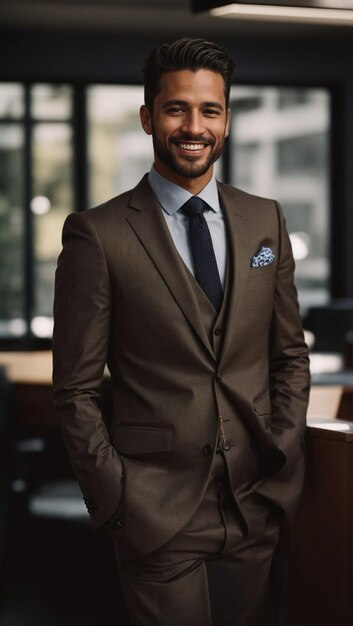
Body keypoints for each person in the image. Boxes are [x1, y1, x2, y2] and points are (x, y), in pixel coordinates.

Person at [52, 37, 310, 626]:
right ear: (148, 117)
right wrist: (118, 499)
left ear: (227, 119)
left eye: (209, 110)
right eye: (176, 109)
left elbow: (289, 356)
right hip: (155, 514)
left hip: (254, 506)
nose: (194, 126)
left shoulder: (265, 219)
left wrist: (282, 452)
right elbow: (75, 389)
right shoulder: (98, 234)